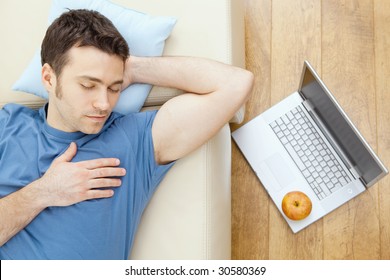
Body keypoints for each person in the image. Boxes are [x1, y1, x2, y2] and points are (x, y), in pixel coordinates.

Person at [0, 9, 253, 259]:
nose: (104, 103)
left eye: (114, 87)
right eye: (89, 85)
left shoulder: (133, 138)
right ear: (48, 78)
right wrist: (44, 191)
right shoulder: (7, 125)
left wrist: (133, 69)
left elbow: (235, 83)